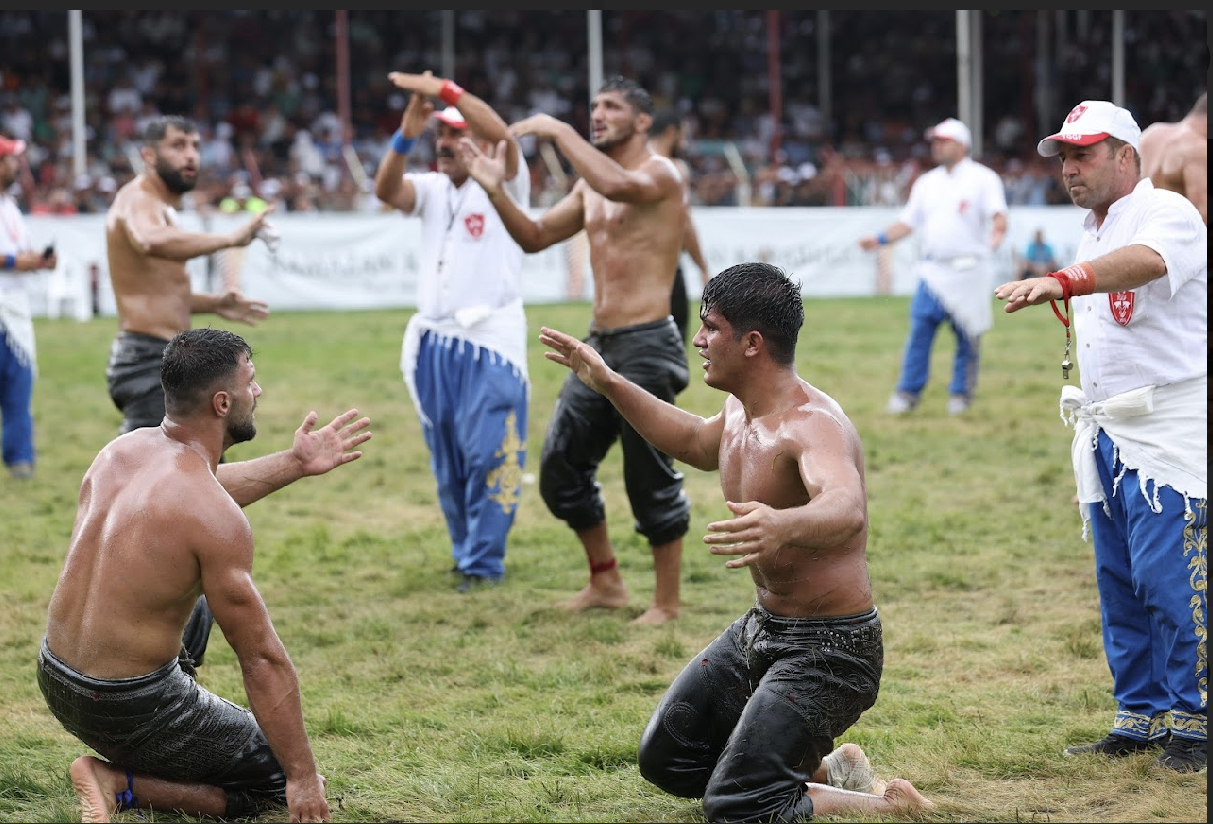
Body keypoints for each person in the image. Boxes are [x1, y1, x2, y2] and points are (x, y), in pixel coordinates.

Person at [540, 261, 935, 822]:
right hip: (763, 630)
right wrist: (607, 381)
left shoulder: (813, 423)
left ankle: (887, 806)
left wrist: (783, 524)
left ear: (752, 343)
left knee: (735, 807)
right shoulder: (737, 411)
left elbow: (847, 508)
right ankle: (828, 770)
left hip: (832, 650)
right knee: (668, 757)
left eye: (710, 327)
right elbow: (692, 440)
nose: (697, 339)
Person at [38, 327, 372, 823]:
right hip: (126, 704)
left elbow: (197, 489)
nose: (256, 392)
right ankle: (116, 782)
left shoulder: (120, 452)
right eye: (251, 382)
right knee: (276, 783)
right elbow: (261, 659)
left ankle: (150, 748)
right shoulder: (213, 519)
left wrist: (296, 462)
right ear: (221, 403)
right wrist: (301, 776)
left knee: (191, 600)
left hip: (57, 677)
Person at [994, 100, 1207, 773]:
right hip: (1109, 427)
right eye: (1061, 155)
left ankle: (1194, 722)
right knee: (1118, 579)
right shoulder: (1092, 227)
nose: (1068, 167)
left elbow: (1144, 263)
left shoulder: (1165, 212)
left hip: (1167, 427)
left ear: (1125, 155)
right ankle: (1138, 716)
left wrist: (1061, 278)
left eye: (1082, 153)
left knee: (1169, 578)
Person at [459, 75, 691, 625]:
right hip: (601, 342)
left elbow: (619, 186)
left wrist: (559, 131)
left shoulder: (660, 172)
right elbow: (535, 237)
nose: (598, 113)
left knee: (648, 474)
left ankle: (668, 603)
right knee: (561, 468)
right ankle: (606, 581)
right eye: (593, 106)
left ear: (641, 121)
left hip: (648, 342)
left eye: (611, 106)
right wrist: (494, 187)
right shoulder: (591, 185)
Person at [105, 114, 279, 671]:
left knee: (170, 507)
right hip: (146, 363)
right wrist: (231, 235)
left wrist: (214, 305)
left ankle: (150, 659)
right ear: (148, 154)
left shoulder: (159, 204)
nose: (192, 155)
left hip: (149, 357)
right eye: (179, 145)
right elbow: (149, 242)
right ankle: (167, 671)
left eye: (197, 144)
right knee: (189, 511)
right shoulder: (140, 201)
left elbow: (160, 286)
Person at [372, 70, 530, 592]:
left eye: (458, 135)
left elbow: (505, 136)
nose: (445, 145)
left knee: (489, 452)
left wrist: (446, 90)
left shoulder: (506, 179)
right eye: (441, 136)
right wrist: (405, 133)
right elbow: (386, 189)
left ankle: (484, 563)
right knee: (449, 459)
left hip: (490, 342)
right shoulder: (435, 189)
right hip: (435, 342)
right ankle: (466, 555)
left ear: (482, 144)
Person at [859, 117, 1008, 416]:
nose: (937, 147)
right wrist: (879, 238)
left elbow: (999, 218)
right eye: (935, 142)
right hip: (934, 271)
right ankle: (907, 393)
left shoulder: (983, 179)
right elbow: (908, 222)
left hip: (969, 270)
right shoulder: (928, 182)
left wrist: (993, 241)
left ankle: (961, 395)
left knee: (968, 336)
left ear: (961, 145)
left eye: (943, 141)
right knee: (919, 332)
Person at [0, 135, 57, 480]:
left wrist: (39, 260)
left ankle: (20, 459)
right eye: (9, 159)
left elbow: (21, 252)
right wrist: (13, 261)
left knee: (19, 385)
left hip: (14, 309)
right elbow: (10, 256)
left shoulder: (9, 206)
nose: (16, 166)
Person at [648, 108, 712, 345]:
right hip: (665, 268)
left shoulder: (630, 164)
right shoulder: (674, 168)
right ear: (671, 132)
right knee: (671, 345)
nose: (684, 142)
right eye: (683, 136)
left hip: (631, 270)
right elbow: (684, 222)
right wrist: (703, 267)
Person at [1138, 91, 1207, 225]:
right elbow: (1203, 216)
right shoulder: (1198, 149)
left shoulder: (1151, 134)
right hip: (1173, 239)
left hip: (1139, 234)